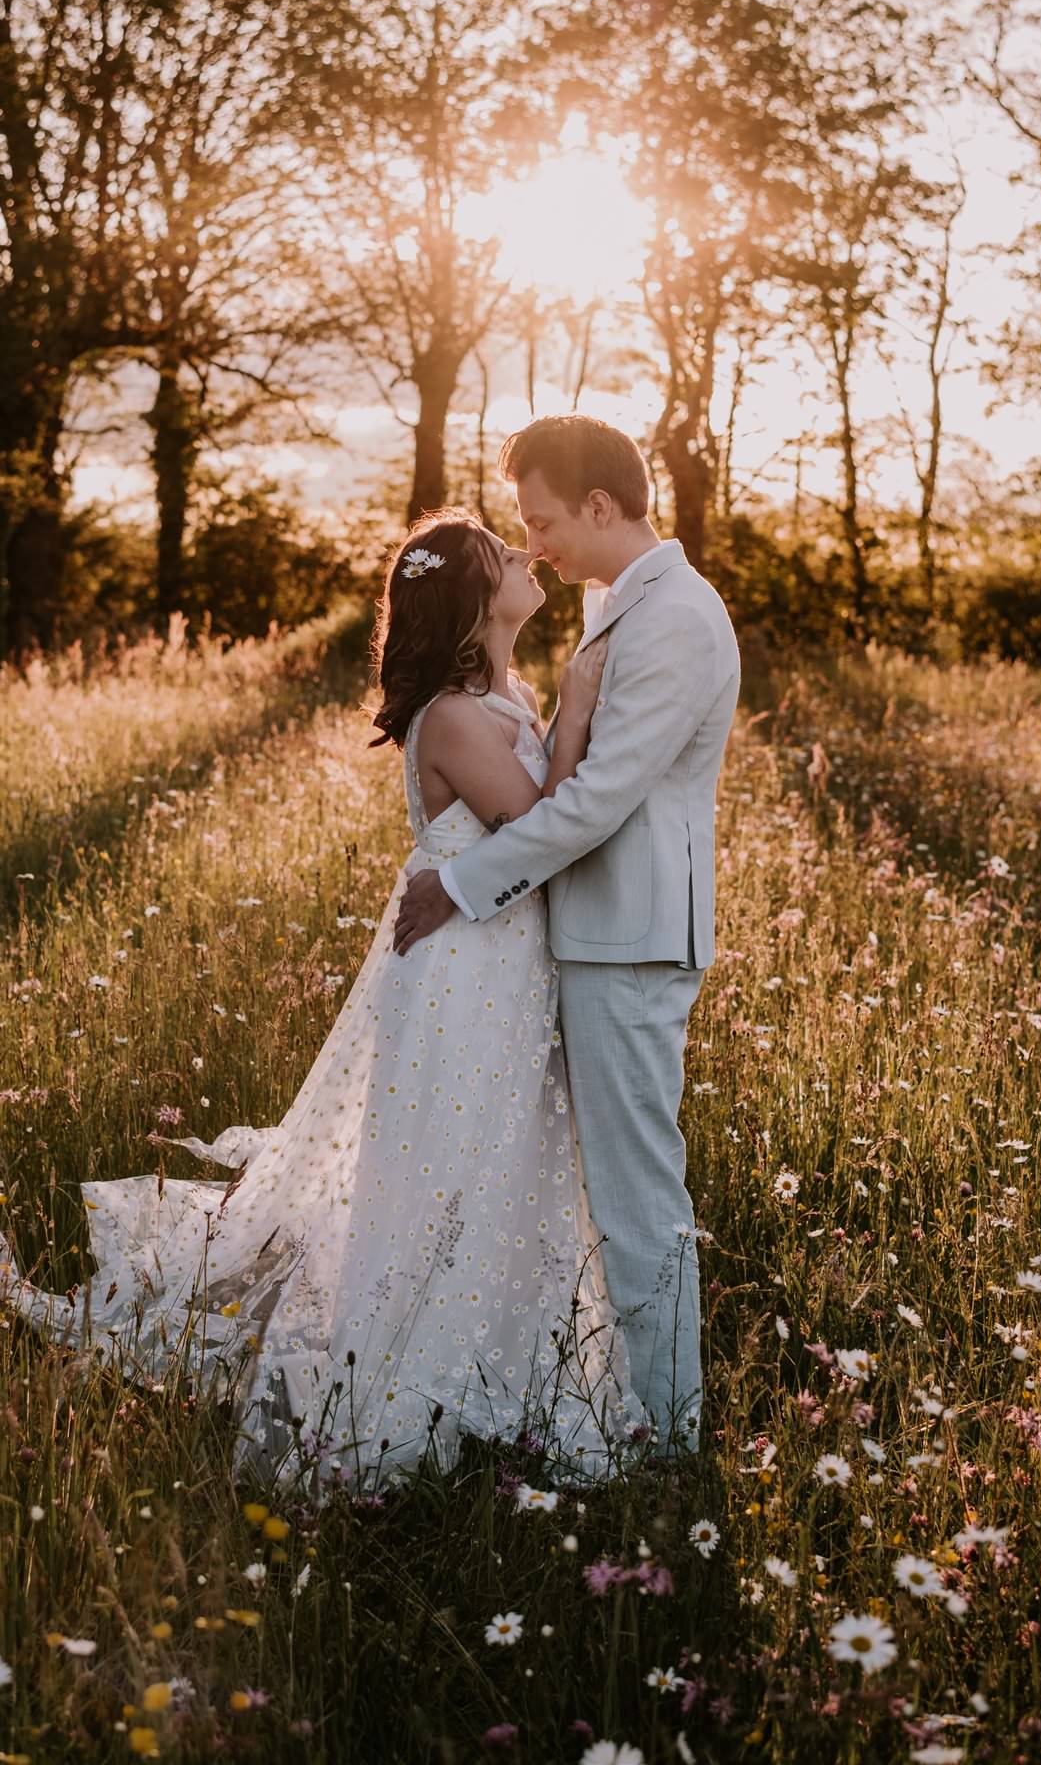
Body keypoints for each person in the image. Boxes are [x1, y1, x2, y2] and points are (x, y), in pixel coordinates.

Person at [0, 509, 644, 1488]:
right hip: (456, 976)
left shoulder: (504, 695)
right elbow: (544, 829)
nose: (528, 556)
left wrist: (563, 705)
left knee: (500, 1160)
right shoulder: (453, 714)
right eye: (504, 553)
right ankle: (393, 1374)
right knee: (441, 1165)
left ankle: (495, 1360)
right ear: (476, 598)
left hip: (506, 969)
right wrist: (578, 700)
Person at [394, 416, 741, 1457]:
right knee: (603, 1187)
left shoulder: (674, 615)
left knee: (637, 1192)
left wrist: (461, 880)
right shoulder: (612, 602)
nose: (532, 544)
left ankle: (668, 1434)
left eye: (541, 521)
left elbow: (596, 801)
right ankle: (617, 1394)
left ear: (599, 505)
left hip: (630, 937)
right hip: (591, 931)